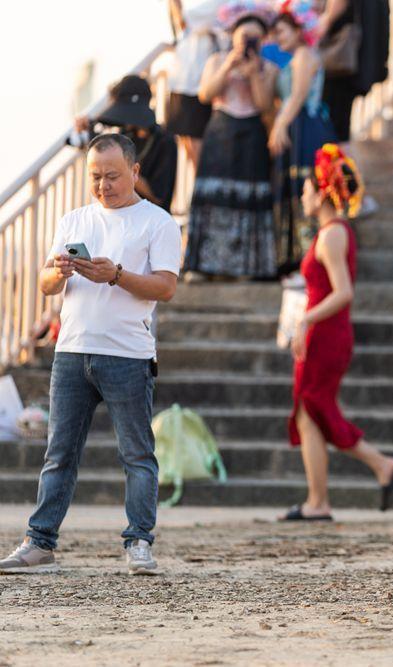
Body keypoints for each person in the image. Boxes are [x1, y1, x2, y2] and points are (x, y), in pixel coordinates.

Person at [0, 134, 181, 576]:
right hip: (71, 350)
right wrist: (59, 272)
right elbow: (46, 283)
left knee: (137, 454)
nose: (103, 185)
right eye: (95, 176)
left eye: (112, 176)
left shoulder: (157, 222)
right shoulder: (74, 219)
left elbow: (166, 286)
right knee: (59, 453)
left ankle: (139, 541)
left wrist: (116, 275)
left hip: (128, 354)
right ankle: (39, 541)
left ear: (135, 172)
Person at [281, 144, 393, 521]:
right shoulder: (331, 232)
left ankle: (376, 467)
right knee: (310, 413)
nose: (302, 197)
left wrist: (306, 320)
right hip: (325, 331)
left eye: (306, 191)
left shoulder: (333, 234)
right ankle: (320, 499)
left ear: (321, 194)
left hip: (326, 334)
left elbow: (343, 292)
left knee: (313, 409)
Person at [184, 2, 279, 279]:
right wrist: (228, 65)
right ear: (233, 36)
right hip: (221, 129)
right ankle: (203, 265)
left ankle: (246, 266)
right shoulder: (217, 60)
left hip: (252, 132)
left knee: (248, 197)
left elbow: (264, 105)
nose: (249, 42)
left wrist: (254, 75)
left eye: (255, 38)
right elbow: (205, 94)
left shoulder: (269, 69)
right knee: (213, 196)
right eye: (244, 36)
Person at [270, 0, 340, 274]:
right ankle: (295, 258)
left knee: (306, 183)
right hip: (296, 124)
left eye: (282, 31)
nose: (277, 37)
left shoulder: (305, 55)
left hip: (306, 126)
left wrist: (280, 124)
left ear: (299, 30)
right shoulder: (294, 58)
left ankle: (310, 258)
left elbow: (298, 95)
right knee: (294, 185)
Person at [316, 0, 389, 218]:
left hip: (340, 68)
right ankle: (356, 196)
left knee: (339, 139)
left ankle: (358, 196)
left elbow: (336, 7)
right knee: (341, 137)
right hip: (354, 64)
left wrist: (320, 25)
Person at [72, 75, 178, 212]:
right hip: (122, 214)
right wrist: (89, 131)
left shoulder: (164, 141)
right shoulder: (126, 133)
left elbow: (158, 196)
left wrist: (124, 168)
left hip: (151, 216)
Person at [166, 0, 219, 172]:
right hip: (184, 80)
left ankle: (202, 183)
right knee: (186, 139)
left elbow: (182, 20)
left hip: (196, 82)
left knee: (195, 141)